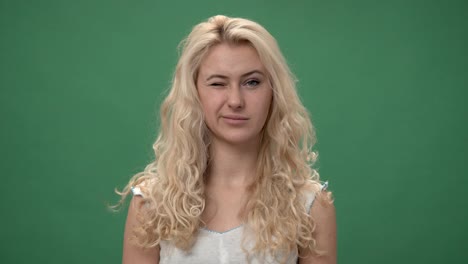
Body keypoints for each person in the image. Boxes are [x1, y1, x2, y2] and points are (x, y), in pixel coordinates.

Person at [117, 15, 336, 264]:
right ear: (194, 93)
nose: (235, 101)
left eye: (252, 82)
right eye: (218, 83)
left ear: (274, 92)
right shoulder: (151, 204)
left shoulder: (309, 205)